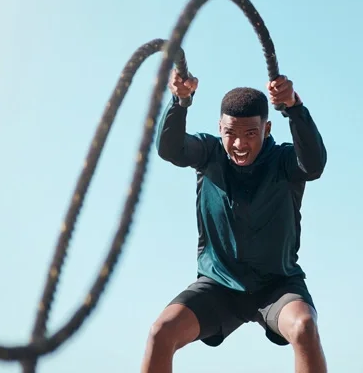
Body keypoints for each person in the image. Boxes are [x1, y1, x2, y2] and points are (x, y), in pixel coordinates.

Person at [140, 68, 328, 373]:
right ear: (220, 128)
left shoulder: (283, 161)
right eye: (231, 133)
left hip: (276, 285)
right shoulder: (209, 153)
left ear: (266, 129)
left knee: (305, 327)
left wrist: (294, 107)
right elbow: (170, 149)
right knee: (160, 332)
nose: (239, 144)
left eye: (250, 134)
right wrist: (180, 101)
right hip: (219, 285)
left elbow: (315, 164)